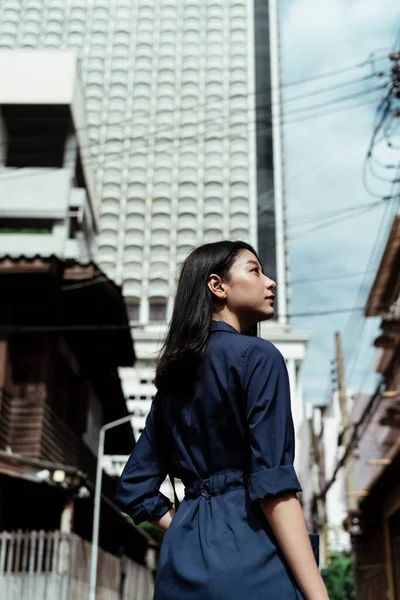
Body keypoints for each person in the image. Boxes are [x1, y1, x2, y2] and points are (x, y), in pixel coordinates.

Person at [115, 240, 329, 600]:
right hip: (252, 562)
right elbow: (274, 488)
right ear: (218, 286)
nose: (270, 282)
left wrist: (185, 529)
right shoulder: (259, 358)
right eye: (255, 270)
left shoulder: (172, 382)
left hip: (179, 573)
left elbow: (135, 488)